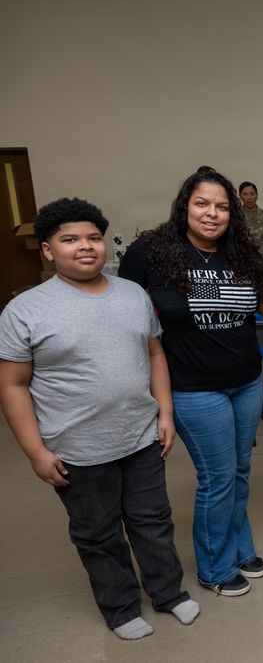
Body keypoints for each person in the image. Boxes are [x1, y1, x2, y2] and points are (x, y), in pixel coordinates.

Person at [0, 198, 199, 639]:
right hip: (77, 450)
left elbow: (154, 354)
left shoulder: (132, 294)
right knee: (98, 533)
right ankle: (122, 608)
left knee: (153, 521)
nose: (85, 247)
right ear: (48, 250)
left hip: (141, 437)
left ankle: (168, 594)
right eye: (69, 240)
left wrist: (164, 412)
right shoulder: (25, 311)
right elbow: (12, 385)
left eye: (93, 238)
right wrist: (35, 450)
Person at [119, 169, 263, 597]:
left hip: (246, 381)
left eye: (222, 206)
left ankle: (241, 547)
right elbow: (119, 306)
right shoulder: (151, 251)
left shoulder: (243, 252)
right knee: (218, 476)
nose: (212, 214)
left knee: (240, 469)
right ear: (184, 206)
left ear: (234, 212)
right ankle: (214, 566)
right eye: (202, 204)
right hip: (192, 387)